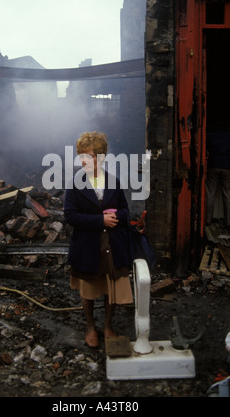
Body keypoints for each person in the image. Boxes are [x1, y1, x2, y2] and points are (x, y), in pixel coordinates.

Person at [64, 131, 133, 348]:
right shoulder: (76, 184)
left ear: (102, 157)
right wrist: (99, 221)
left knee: (110, 287)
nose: (84, 161)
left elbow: (125, 211)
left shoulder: (113, 182)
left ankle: (108, 325)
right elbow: (70, 216)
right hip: (88, 246)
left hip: (112, 245)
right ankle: (91, 327)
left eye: (90, 156)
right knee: (89, 289)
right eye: (81, 156)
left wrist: (116, 217)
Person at [206, 122, 230, 228]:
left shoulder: (211, 136)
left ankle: (207, 220)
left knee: (210, 193)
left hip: (213, 166)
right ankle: (229, 222)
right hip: (228, 167)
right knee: (228, 194)